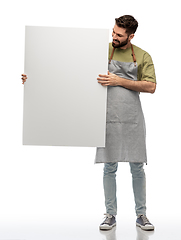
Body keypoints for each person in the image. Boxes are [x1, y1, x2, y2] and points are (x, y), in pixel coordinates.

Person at [96, 15, 156, 231]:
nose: (114, 37)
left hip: (132, 119)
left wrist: (119, 80)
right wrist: (35, 77)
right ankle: (109, 215)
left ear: (131, 36)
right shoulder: (99, 51)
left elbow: (150, 86)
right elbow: (73, 72)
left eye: (119, 35)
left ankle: (142, 215)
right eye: (113, 32)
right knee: (109, 166)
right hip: (108, 117)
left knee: (137, 166)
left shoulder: (142, 55)